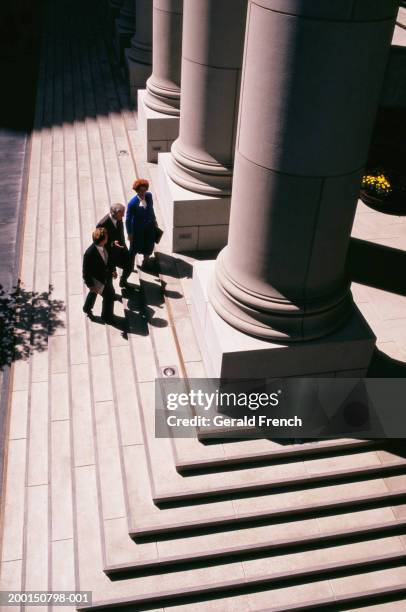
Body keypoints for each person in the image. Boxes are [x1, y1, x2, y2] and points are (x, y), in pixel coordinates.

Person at [82, 227, 117, 323]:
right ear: (102, 240)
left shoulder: (105, 245)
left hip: (106, 276)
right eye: (106, 237)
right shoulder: (89, 254)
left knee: (95, 293)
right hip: (98, 280)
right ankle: (107, 317)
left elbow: (108, 260)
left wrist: (113, 270)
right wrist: (90, 285)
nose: (108, 237)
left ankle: (87, 308)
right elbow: (85, 272)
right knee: (109, 296)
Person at [97, 203, 132, 287]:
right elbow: (100, 243)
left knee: (129, 266)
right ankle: (109, 293)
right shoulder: (102, 224)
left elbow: (120, 234)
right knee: (110, 278)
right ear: (115, 214)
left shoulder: (118, 218)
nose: (123, 216)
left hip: (121, 248)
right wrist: (112, 243)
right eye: (122, 214)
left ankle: (123, 281)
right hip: (109, 254)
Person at [126, 178, 156, 268]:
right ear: (137, 191)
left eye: (144, 190)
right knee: (134, 248)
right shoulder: (132, 203)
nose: (143, 193)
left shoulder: (149, 196)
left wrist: (154, 220)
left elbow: (151, 209)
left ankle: (146, 261)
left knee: (149, 244)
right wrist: (130, 233)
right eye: (140, 191)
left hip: (149, 227)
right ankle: (129, 264)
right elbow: (128, 220)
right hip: (137, 229)